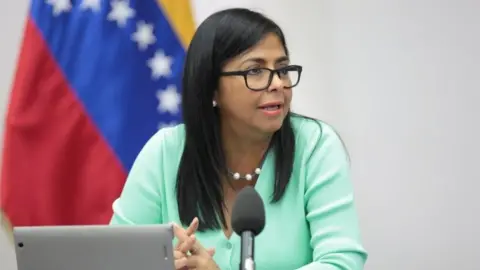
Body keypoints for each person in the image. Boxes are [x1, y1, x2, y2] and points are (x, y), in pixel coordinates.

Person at [109, 7, 368, 270]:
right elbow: (114, 259)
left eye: (282, 69)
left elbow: (342, 262)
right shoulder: (166, 153)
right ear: (211, 87)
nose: (277, 83)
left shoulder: (314, 146)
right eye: (255, 71)